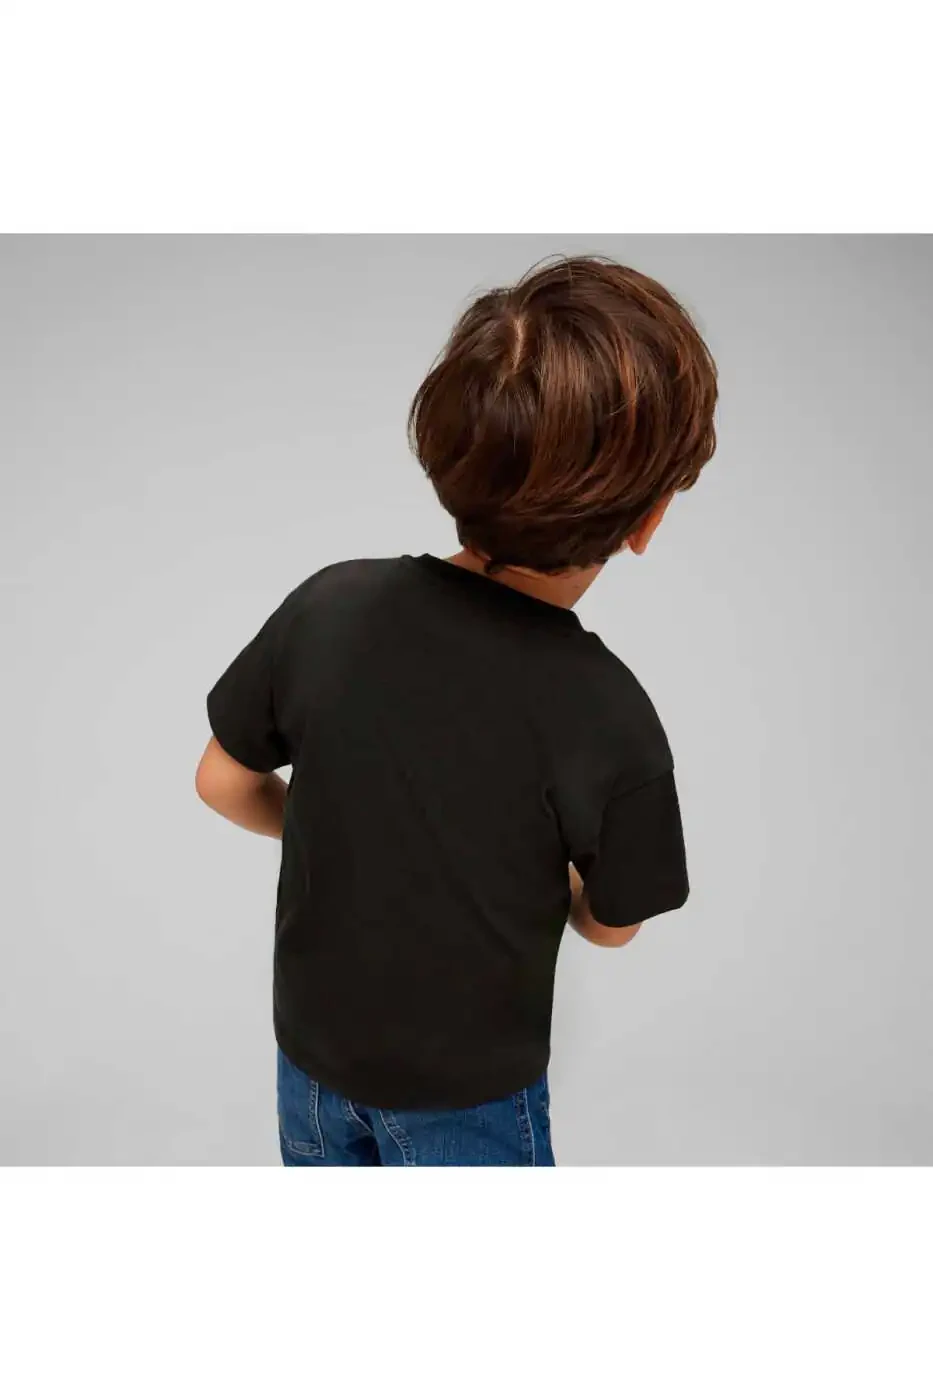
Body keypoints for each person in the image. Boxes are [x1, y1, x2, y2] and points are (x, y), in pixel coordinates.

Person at [195, 254, 718, 1166]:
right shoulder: (608, 714)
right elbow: (611, 922)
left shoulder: (332, 605)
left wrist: (340, 827)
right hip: (468, 1101)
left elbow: (220, 781)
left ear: (447, 451)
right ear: (646, 522)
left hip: (308, 1071)